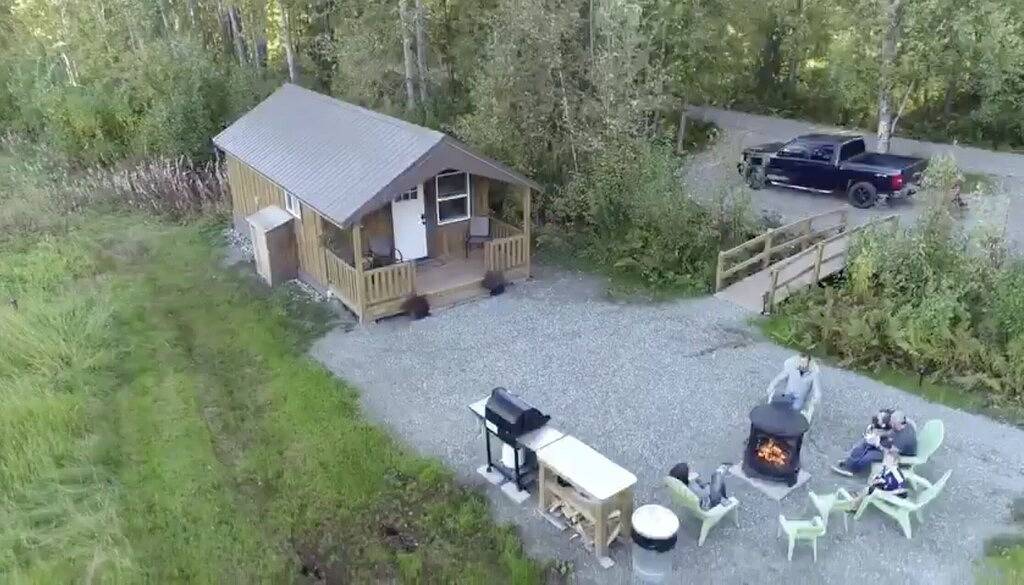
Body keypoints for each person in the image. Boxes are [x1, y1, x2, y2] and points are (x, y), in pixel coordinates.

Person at [832, 409, 917, 476]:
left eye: (893, 424)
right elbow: (890, 431)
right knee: (865, 444)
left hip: (898, 455)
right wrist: (876, 434)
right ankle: (849, 462)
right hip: (891, 444)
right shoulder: (902, 424)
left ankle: (852, 470)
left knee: (869, 456)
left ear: (899, 423)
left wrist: (877, 444)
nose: (891, 424)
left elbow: (892, 454)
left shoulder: (904, 437)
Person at [845, 437, 909, 510]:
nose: (885, 461)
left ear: (894, 463)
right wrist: (880, 480)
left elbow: (903, 489)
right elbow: (885, 479)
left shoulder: (896, 472)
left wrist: (891, 493)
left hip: (895, 495)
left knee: (871, 490)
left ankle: (855, 504)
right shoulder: (887, 469)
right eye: (886, 459)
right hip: (887, 487)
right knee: (872, 485)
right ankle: (859, 498)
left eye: (888, 460)